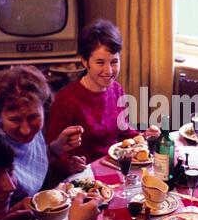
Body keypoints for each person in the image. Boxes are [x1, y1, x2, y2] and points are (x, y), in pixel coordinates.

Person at [46, 19, 138, 182]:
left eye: (114, 62)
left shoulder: (117, 90)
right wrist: (69, 164)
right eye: (100, 62)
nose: (109, 71)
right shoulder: (66, 100)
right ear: (84, 61)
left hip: (112, 167)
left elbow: (125, 132)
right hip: (82, 178)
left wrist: (145, 137)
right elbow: (52, 153)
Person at [0, 65, 84, 204]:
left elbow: (33, 164)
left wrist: (57, 147)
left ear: (44, 108)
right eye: (15, 119)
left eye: (33, 117)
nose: (25, 130)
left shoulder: (33, 132)